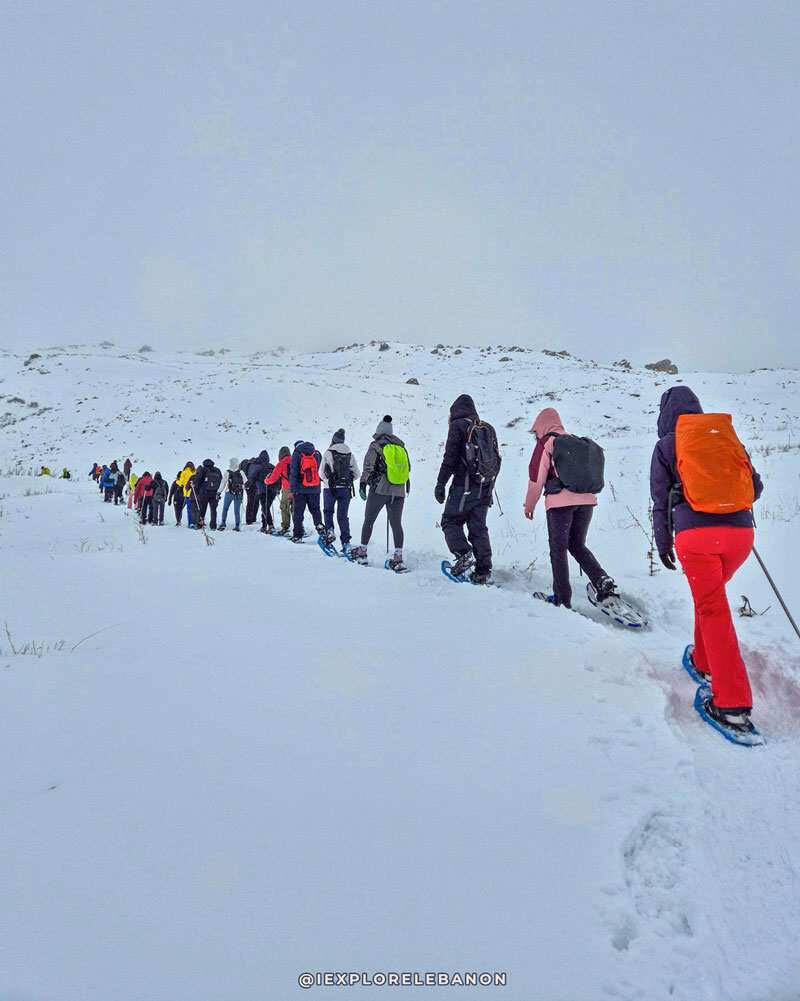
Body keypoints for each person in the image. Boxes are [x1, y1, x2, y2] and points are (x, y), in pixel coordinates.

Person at [650, 385, 763, 730]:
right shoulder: (723, 438)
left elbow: (659, 500)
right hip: (741, 536)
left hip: (696, 538)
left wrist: (663, 544)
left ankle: (732, 705)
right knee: (710, 600)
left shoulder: (667, 445)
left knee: (713, 608)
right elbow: (755, 487)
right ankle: (702, 660)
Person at [524, 407, 617, 608]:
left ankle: (561, 599)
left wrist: (529, 505)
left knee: (558, 550)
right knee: (576, 545)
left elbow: (536, 479)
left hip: (560, 505)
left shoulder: (547, 442)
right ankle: (602, 581)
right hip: (586, 502)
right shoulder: (576, 442)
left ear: (541, 426)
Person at [434, 394, 499, 584]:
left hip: (464, 486)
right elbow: (495, 460)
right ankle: (483, 570)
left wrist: (440, 483)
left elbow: (450, 458)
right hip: (484, 487)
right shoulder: (487, 428)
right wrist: (489, 486)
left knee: (449, 521)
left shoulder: (458, 426)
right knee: (478, 527)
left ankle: (464, 554)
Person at [349, 415, 410, 571]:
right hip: (399, 491)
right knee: (396, 524)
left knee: (369, 520)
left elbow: (368, 467)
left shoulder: (376, 446)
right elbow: (407, 468)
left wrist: (363, 484)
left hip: (380, 490)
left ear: (378, 431)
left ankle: (362, 553)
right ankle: (398, 558)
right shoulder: (401, 446)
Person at [319, 429, 359, 552]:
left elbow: (321, 473)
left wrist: (328, 482)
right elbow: (357, 474)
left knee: (328, 511)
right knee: (343, 516)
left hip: (330, 489)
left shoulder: (328, 453)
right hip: (345, 490)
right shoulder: (349, 454)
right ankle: (346, 542)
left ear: (333, 440)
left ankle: (330, 532)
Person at [289, 440, 324, 543]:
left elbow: (293, 472)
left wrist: (292, 489)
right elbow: (321, 470)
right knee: (316, 510)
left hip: (300, 490)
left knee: (298, 513)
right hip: (315, 489)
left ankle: (297, 536)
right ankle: (321, 530)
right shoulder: (316, 453)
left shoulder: (296, 454)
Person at [265, 446, 292, 535]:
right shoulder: (296, 460)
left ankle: (285, 527)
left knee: (284, 507)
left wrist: (266, 480)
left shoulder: (281, 463)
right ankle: (299, 527)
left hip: (287, 489)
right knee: (296, 508)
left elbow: (273, 478)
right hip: (298, 488)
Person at [218, 458, 245, 531]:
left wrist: (219, 492)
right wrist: (241, 487)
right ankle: (237, 525)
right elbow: (246, 483)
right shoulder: (241, 472)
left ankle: (223, 524)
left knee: (225, 509)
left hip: (228, 492)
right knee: (237, 510)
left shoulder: (227, 472)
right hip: (238, 494)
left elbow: (223, 483)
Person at [195, 458, 223, 529]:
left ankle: (200, 525)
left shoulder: (203, 470)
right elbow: (221, 481)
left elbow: (198, 481)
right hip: (214, 493)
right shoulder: (217, 470)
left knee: (202, 510)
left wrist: (197, 491)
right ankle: (213, 526)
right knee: (213, 510)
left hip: (204, 493)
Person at [177, 462, 196, 528]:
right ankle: (196, 522)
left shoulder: (184, 472)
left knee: (189, 509)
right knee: (195, 508)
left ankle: (190, 523)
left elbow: (181, 483)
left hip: (187, 493)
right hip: (195, 493)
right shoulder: (195, 472)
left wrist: (177, 481)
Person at [244, 456, 260, 525]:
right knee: (255, 502)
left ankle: (249, 519)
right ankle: (251, 519)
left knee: (250, 502)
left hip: (249, 486)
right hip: (254, 486)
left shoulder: (248, 465)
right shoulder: (256, 466)